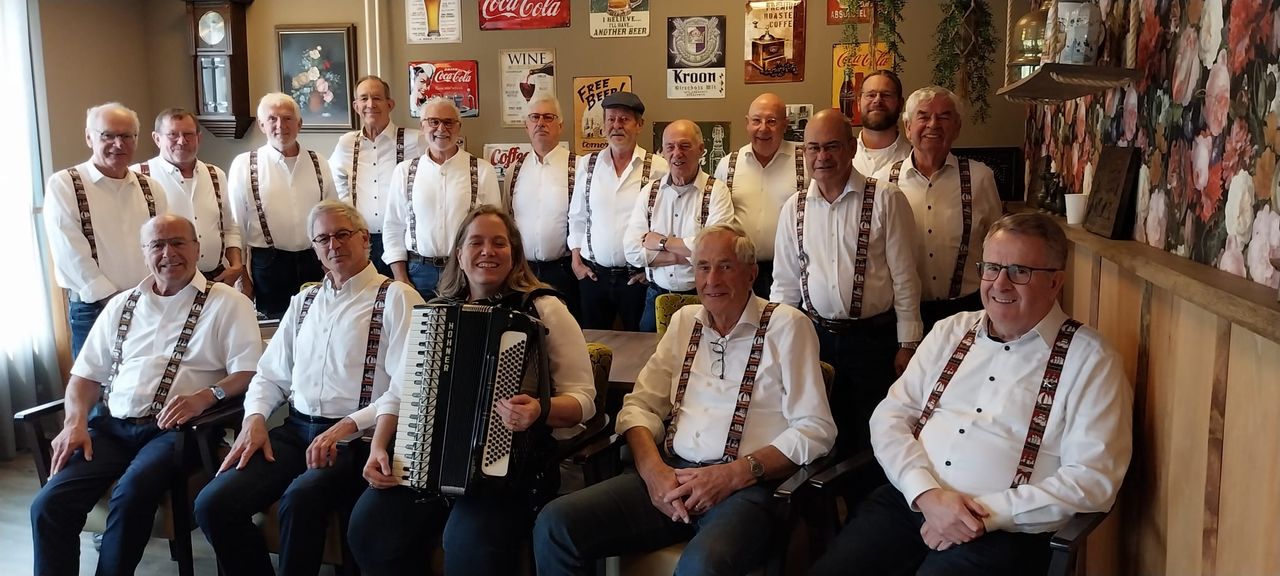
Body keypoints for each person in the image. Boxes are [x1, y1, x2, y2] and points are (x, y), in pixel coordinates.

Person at [809, 212, 1133, 576]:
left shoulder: (1091, 360)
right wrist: (926, 494)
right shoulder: (950, 331)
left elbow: (1093, 479)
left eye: (1020, 271)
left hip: (1005, 532)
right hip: (911, 503)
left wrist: (981, 516)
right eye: (991, 268)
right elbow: (891, 416)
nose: (1000, 284)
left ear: (1055, 282)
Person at [534, 224, 837, 575]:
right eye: (703, 267)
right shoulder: (684, 322)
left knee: (701, 566)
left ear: (751, 273)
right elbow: (639, 405)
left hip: (746, 490)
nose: (712, 280)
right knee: (556, 524)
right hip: (671, 475)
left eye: (725, 266)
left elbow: (815, 429)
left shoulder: (787, 326)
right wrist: (653, 472)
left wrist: (732, 474)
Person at [349, 205, 596, 576]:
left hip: (510, 473)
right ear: (460, 254)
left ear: (514, 254)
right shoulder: (435, 312)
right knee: (370, 526)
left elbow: (584, 400)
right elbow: (400, 392)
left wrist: (539, 410)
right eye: (476, 242)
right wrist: (379, 446)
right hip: (427, 461)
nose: (487, 251)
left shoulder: (543, 308)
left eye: (499, 243)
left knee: (467, 543)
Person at [195, 200, 426, 576]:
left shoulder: (397, 297)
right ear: (315, 248)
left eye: (342, 234)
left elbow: (406, 387)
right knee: (213, 504)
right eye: (322, 238)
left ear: (365, 239)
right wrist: (255, 419)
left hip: (357, 440)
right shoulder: (304, 301)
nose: (333, 245)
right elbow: (270, 375)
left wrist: (346, 426)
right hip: (295, 432)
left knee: (300, 499)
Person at [30, 214, 260, 576]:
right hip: (112, 429)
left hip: (179, 433)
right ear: (144, 252)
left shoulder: (229, 303)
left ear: (197, 248)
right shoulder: (122, 304)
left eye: (178, 242)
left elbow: (249, 372)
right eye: (157, 245)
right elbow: (85, 375)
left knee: (132, 492)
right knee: (49, 504)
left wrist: (206, 396)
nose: (168, 253)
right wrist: (75, 422)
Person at [772, 108, 922, 455]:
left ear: (851, 148)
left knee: (872, 432)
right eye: (813, 148)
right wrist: (777, 343)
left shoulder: (886, 198)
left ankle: (865, 489)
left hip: (873, 340)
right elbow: (784, 285)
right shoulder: (794, 208)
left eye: (832, 146)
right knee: (817, 427)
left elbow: (904, 277)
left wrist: (908, 343)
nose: (821, 157)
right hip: (814, 338)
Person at [44, 102, 170, 358]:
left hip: (149, 304)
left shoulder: (151, 188)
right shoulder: (65, 184)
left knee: (146, 377)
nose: (118, 144)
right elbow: (71, 254)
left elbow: (164, 245)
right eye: (108, 135)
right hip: (94, 309)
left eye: (126, 136)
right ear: (89, 138)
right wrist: (118, 302)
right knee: (96, 381)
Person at [875, 86, 1004, 335]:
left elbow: (998, 250)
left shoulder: (980, 178)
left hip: (967, 311)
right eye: (923, 116)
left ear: (957, 128)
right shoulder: (883, 181)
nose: (933, 124)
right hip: (901, 315)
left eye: (944, 117)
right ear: (908, 127)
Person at [228, 93, 337, 319]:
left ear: (299, 124)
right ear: (262, 125)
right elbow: (236, 227)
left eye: (288, 118)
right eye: (272, 119)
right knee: (275, 329)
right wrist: (242, 278)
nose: (280, 125)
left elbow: (332, 218)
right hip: (268, 265)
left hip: (315, 261)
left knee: (318, 323)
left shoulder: (319, 162)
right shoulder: (244, 164)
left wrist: (332, 266)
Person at [567, 92, 669, 330]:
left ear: (639, 125)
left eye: (624, 119)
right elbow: (577, 216)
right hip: (593, 276)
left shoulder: (658, 167)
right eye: (611, 119)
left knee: (640, 345)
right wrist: (576, 261)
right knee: (593, 342)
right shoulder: (587, 164)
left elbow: (666, 224)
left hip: (637, 279)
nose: (616, 126)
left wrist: (651, 272)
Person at [382, 97, 501, 297]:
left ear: (459, 127)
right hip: (417, 272)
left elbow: (494, 230)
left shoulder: (482, 170)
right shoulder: (404, 171)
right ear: (422, 126)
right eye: (434, 122)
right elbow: (393, 226)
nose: (441, 128)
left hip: (465, 271)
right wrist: (400, 277)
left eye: (448, 122)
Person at [625, 120, 734, 332]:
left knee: (704, 352)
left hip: (704, 298)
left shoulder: (717, 192)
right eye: (670, 147)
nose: (677, 153)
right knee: (650, 351)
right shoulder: (649, 192)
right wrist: (687, 255)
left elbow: (717, 250)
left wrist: (661, 242)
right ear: (662, 152)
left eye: (685, 146)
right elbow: (631, 251)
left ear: (701, 150)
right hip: (655, 297)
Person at [329, 75, 427, 277]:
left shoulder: (415, 140)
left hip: (404, 242)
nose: (370, 104)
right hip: (361, 242)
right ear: (356, 106)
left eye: (377, 98)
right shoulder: (346, 143)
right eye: (364, 98)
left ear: (390, 104)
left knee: (403, 293)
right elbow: (333, 183)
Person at [135, 108, 244, 286]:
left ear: (198, 138)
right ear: (157, 138)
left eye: (188, 134)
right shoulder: (139, 177)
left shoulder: (216, 175)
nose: (182, 141)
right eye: (172, 135)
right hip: (166, 282)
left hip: (215, 279)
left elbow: (229, 227)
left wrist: (237, 265)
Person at [714, 93, 808, 297]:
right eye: (756, 121)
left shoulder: (806, 161)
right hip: (741, 270)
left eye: (772, 121)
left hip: (793, 270)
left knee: (786, 318)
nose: (763, 128)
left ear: (785, 124)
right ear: (747, 124)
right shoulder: (728, 164)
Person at [506, 94, 580, 314]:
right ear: (526, 126)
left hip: (564, 271)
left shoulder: (579, 166)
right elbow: (507, 220)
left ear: (560, 125)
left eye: (548, 117)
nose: (540, 123)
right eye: (534, 117)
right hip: (522, 271)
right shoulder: (514, 170)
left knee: (566, 330)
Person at [852, 70, 912, 179]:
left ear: (900, 104)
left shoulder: (913, 158)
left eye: (886, 95)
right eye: (871, 95)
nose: (877, 100)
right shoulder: (841, 157)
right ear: (858, 103)